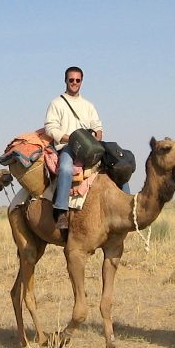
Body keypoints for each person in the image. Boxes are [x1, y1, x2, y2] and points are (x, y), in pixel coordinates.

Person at [44, 66, 104, 229]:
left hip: (90, 147)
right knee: (65, 168)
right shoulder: (56, 103)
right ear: (65, 80)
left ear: (82, 82)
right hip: (68, 146)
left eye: (78, 80)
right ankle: (61, 211)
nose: (74, 83)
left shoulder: (88, 105)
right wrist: (71, 139)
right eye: (71, 80)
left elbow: (98, 127)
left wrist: (96, 137)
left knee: (117, 162)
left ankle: (128, 206)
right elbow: (50, 128)